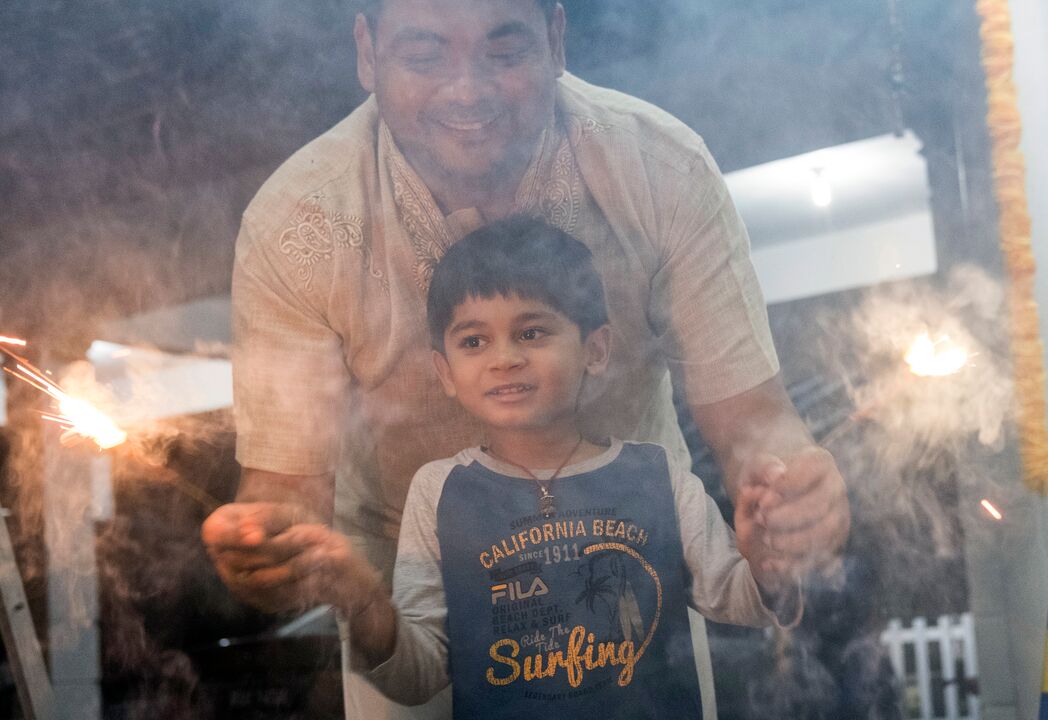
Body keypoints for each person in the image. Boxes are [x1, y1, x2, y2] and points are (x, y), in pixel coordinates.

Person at [201, 0, 849, 717]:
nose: (467, 89)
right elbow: (285, 492)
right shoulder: (299, 220)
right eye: (425, 57)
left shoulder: (660, 169)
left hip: (635, 555)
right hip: (402, 580)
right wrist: (273, 545)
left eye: (503, 52)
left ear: (556, 39)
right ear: (366, 52)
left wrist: (793, 502)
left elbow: (756, 425)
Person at [273, 216, 802, 718]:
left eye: (531, 332)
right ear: (445, 371)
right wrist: (362, 601)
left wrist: (765, 560)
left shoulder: (656, 474)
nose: (504, 358)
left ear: (595, 348)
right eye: (474, 341)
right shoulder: (439, 492)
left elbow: (740, 599)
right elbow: (422, 672)